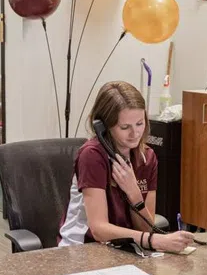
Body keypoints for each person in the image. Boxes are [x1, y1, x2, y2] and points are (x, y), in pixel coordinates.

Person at [58, 81, 194, 253]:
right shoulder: (92, 156)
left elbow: (146, 229)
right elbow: (99, 230)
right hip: (82, 249)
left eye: (139, 123)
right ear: (103, 126)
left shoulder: (147, 158)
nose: (135, 133)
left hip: (123, 248)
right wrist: (156, 241)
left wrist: (134, 194)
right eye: (125, 127)